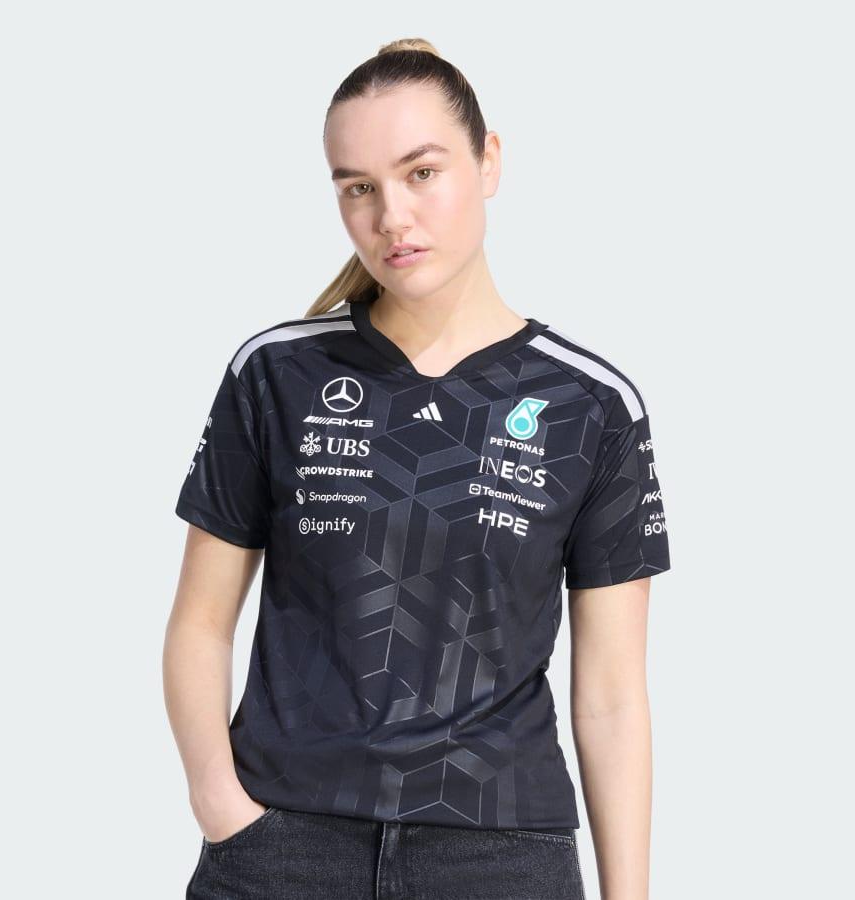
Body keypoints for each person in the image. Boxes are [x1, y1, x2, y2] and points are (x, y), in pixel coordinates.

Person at [165, 37, 671, 900]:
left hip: (501, 859)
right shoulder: (278, 375)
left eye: (422, 173)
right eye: (357, 188)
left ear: (489, 161)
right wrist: (223, 808)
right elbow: (200, 623)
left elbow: (613, 697)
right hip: (280, 849)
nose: (391, 216)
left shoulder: (590, 405)